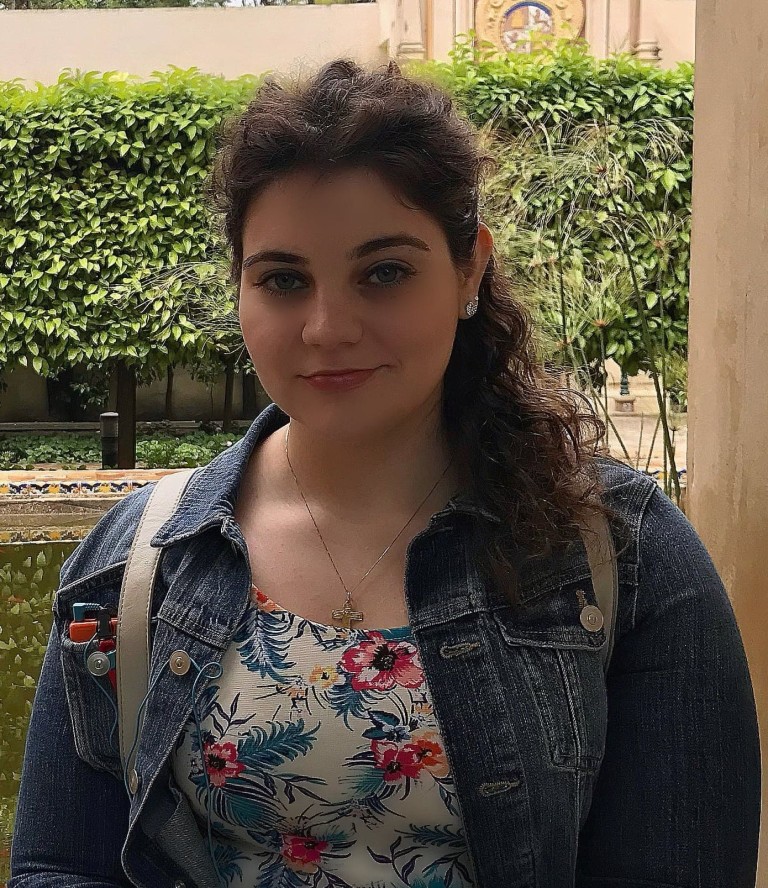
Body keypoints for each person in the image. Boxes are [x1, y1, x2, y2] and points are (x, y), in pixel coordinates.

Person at [10, 59, 761, 888]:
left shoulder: (626, 555)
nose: (328, 327)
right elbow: (59, 866)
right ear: (240, 288)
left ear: (469, 269)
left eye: (385, 273)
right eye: (284, 280)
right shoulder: (138, 562)